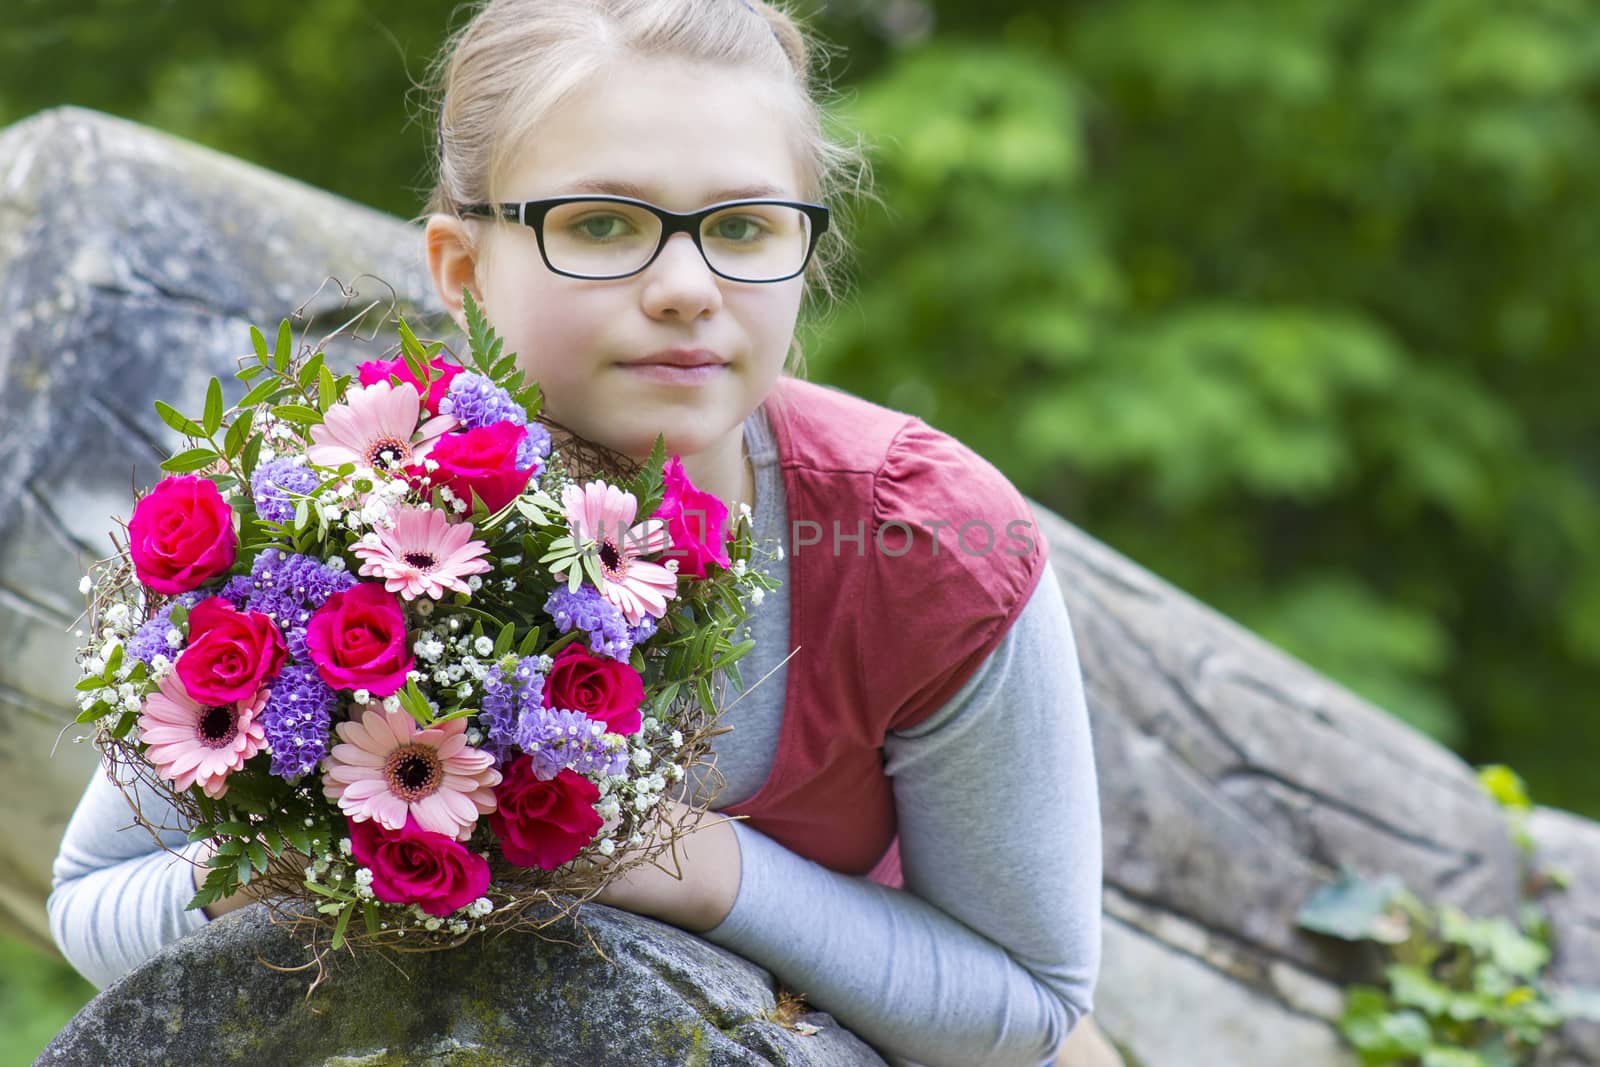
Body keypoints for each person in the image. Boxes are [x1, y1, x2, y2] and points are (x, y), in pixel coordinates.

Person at [50, 2, 1107, 1064]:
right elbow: (93, 903)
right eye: (602, 223)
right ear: (460, 266)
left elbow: (1028, 1006)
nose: (688, 289)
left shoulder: (923, 545)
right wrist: (331, 843)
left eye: (743, 225)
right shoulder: (328, 530)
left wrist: (695, 866)